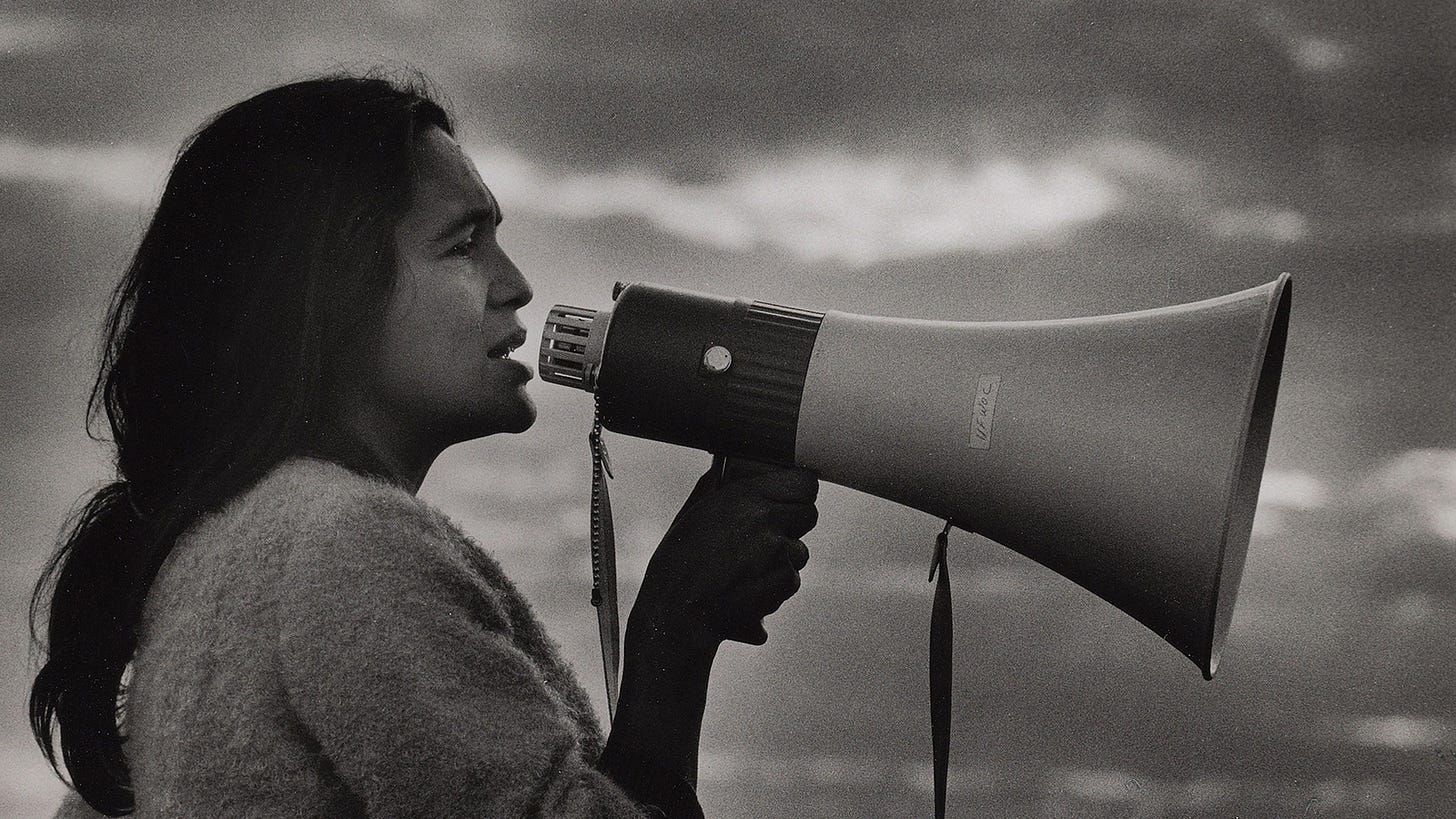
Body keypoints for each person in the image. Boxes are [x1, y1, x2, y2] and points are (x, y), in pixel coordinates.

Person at [29, 72, 818, 818]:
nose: (516, 284)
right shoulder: (343, 544)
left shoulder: (213, 553)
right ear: (331, 289)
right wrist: (676, 631)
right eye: (463, 244)